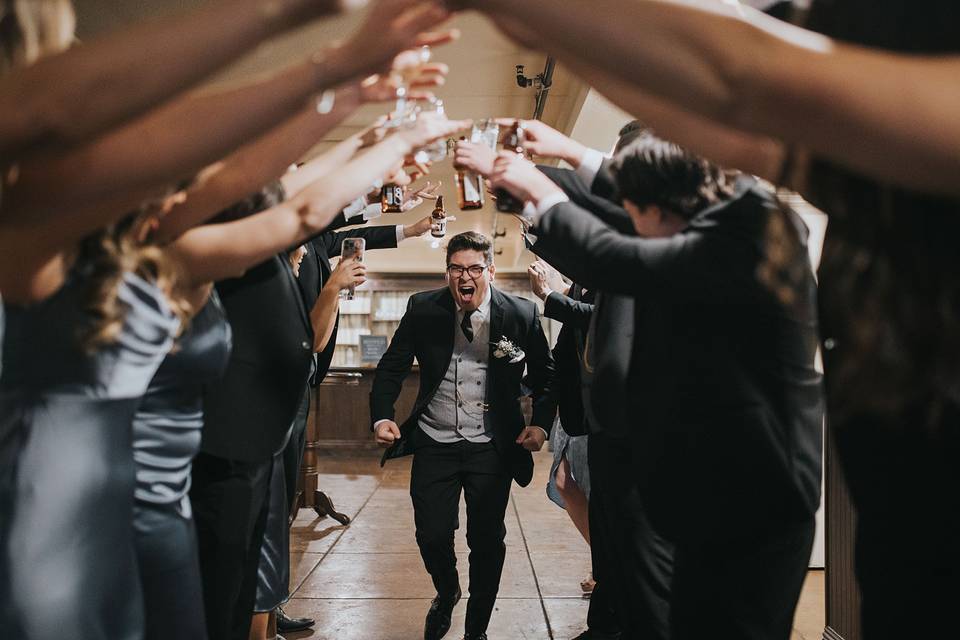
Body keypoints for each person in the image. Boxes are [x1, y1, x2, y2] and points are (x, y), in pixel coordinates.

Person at [458, 1, 960, 635]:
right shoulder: (806, 188)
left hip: (763, 493)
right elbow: (716, 101)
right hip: (827, 494)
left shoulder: (747, 222)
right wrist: (562, 142)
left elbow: (734, 80)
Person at [489, 132, 824, 640]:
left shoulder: (745, 235)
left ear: (671, 205)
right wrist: (566, 152)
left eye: (637, 209)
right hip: (705, 484)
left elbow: (616, 252)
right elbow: (629, 213)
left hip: (754, 492)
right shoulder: (721, 220)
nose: (629, 221)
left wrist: (543, 191)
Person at [370, 231, 554, 640]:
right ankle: (447, 589)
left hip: (491, 445)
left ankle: (477, 631)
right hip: (436, 441)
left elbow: (546, 377)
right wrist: (382, 416)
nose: (463, 277)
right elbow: (391, 367)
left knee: (487, 540)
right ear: (447, 272)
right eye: (456, 268)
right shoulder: (423, 308)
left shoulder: (521, 314)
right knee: (431, 534)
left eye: (473, 268)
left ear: (489, 270)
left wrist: (540, 424)